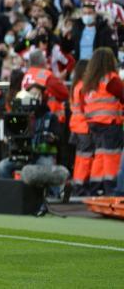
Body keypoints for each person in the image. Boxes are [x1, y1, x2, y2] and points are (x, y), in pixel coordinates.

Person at [81, 47, 124, 196]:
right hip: (109, 123)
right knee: (111, 156)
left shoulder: (90, 82)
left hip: (94, 124)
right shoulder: (111, 79)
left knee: (100, 156)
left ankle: (95, 187)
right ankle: (112, 189)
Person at [0, 84, 61, 181]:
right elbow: (10, 132)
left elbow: (58, 137)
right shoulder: (18, 115)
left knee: (49, 170)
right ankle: (12, 189)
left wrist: (52, 138)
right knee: (2, 167)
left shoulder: (50, 116)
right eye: (33, 94)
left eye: (39, 95)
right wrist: (9, 139)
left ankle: (50, 191)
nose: (37, 97)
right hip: (21, 156)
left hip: (42, 156)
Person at [21, 50, 69, 124]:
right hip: (47, 118)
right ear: (42, 61)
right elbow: (65, 93)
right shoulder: (44, 74)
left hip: (29, 116)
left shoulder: (27, 74)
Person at [69, 60, 92, 196]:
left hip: (76, 126)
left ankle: (77, 183)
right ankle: (81, 185)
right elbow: (87, 107)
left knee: (79, 157)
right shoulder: (83, 87)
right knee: (85, 158)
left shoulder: (75, 86)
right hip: (84, 126)